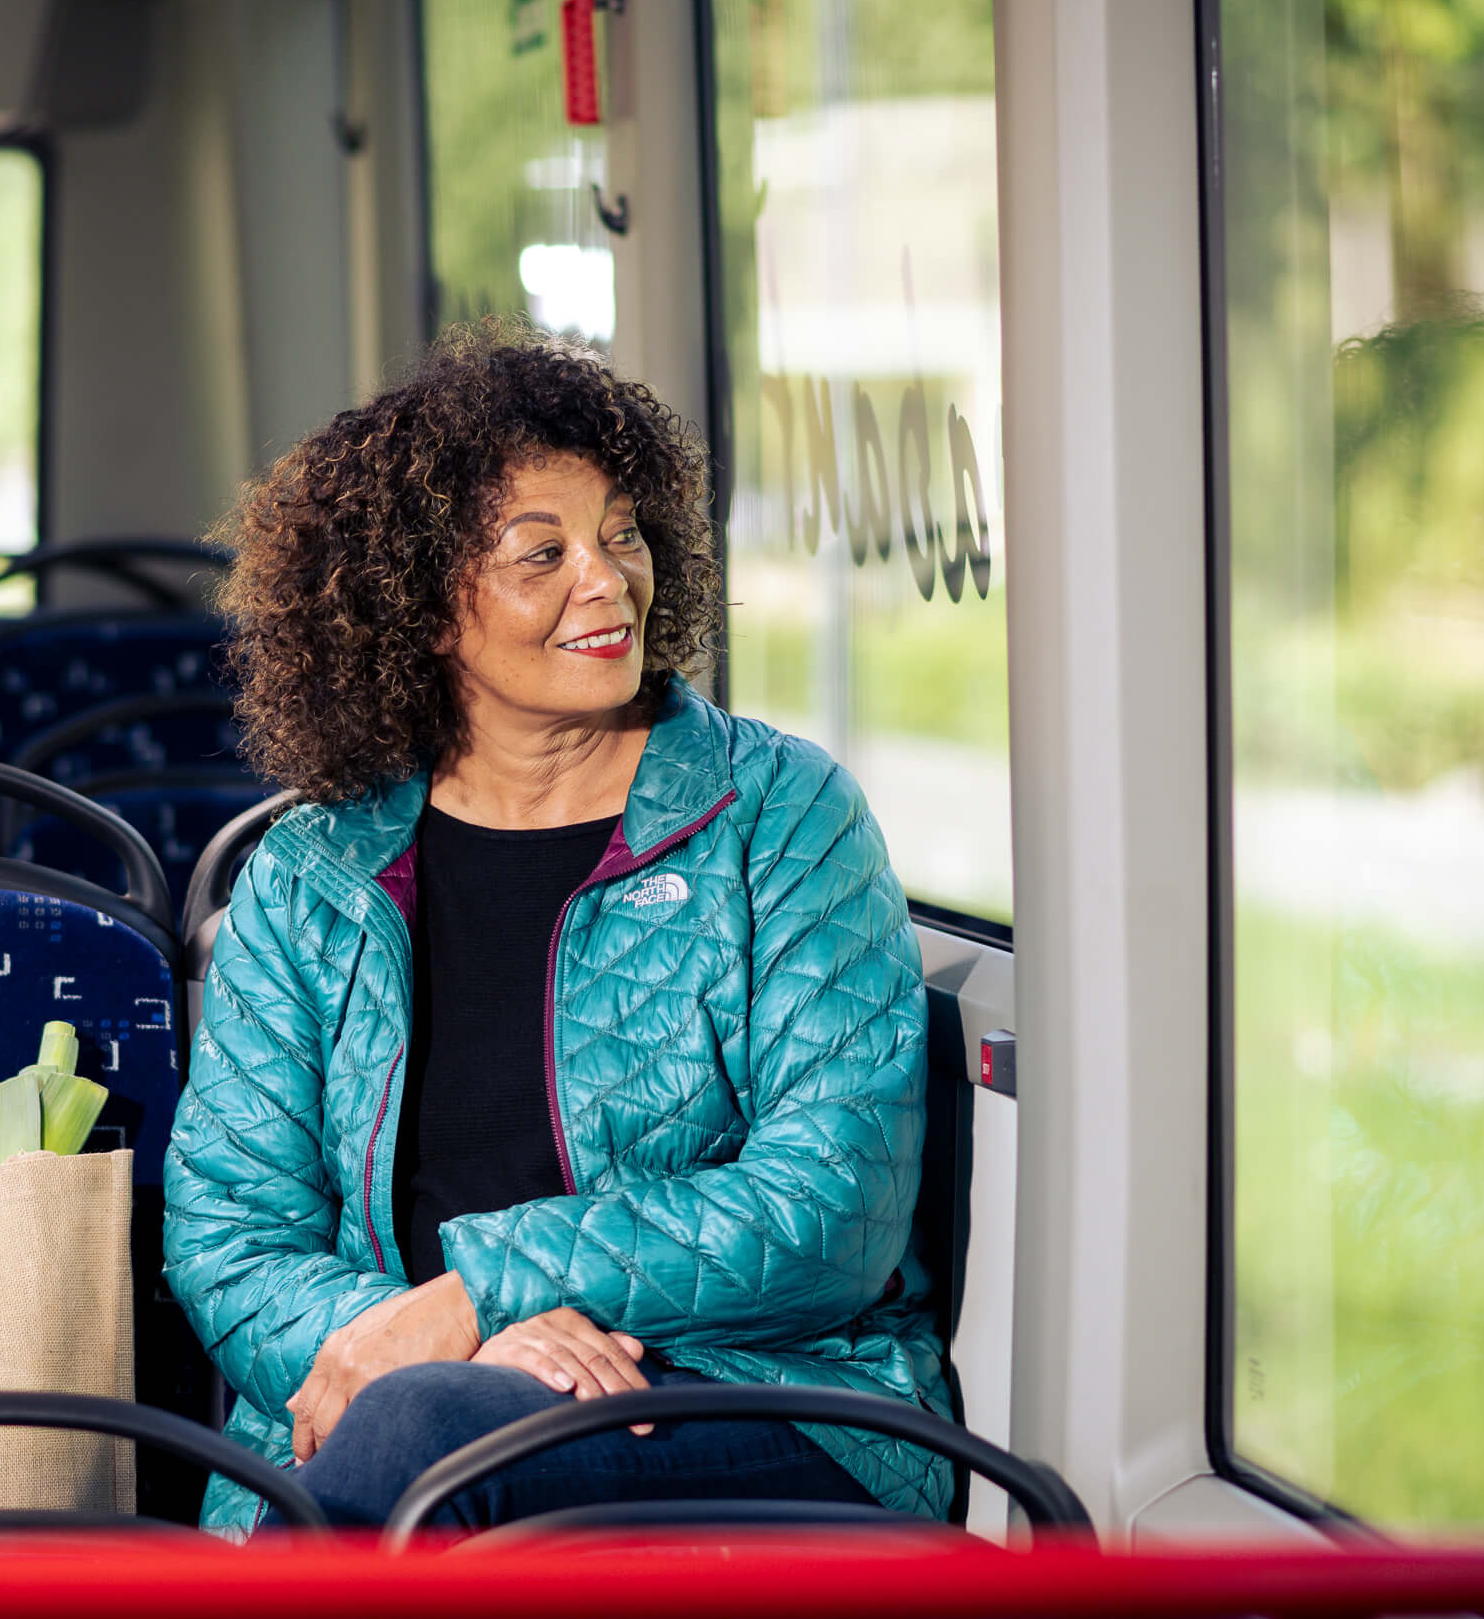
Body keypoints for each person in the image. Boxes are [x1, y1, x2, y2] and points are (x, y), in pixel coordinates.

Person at [164, 323, 945, 1535]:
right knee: (414, 1434)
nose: (609, 579)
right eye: (545, 552)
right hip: (387, 1398)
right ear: (422, 609)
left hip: (755, 1398)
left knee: (415, 1449)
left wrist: (477, 1292)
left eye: (622, 531)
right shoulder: (313, 874)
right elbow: (229, 1236)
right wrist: (437, 1342)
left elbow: (831, 1204)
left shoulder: (783, 818)